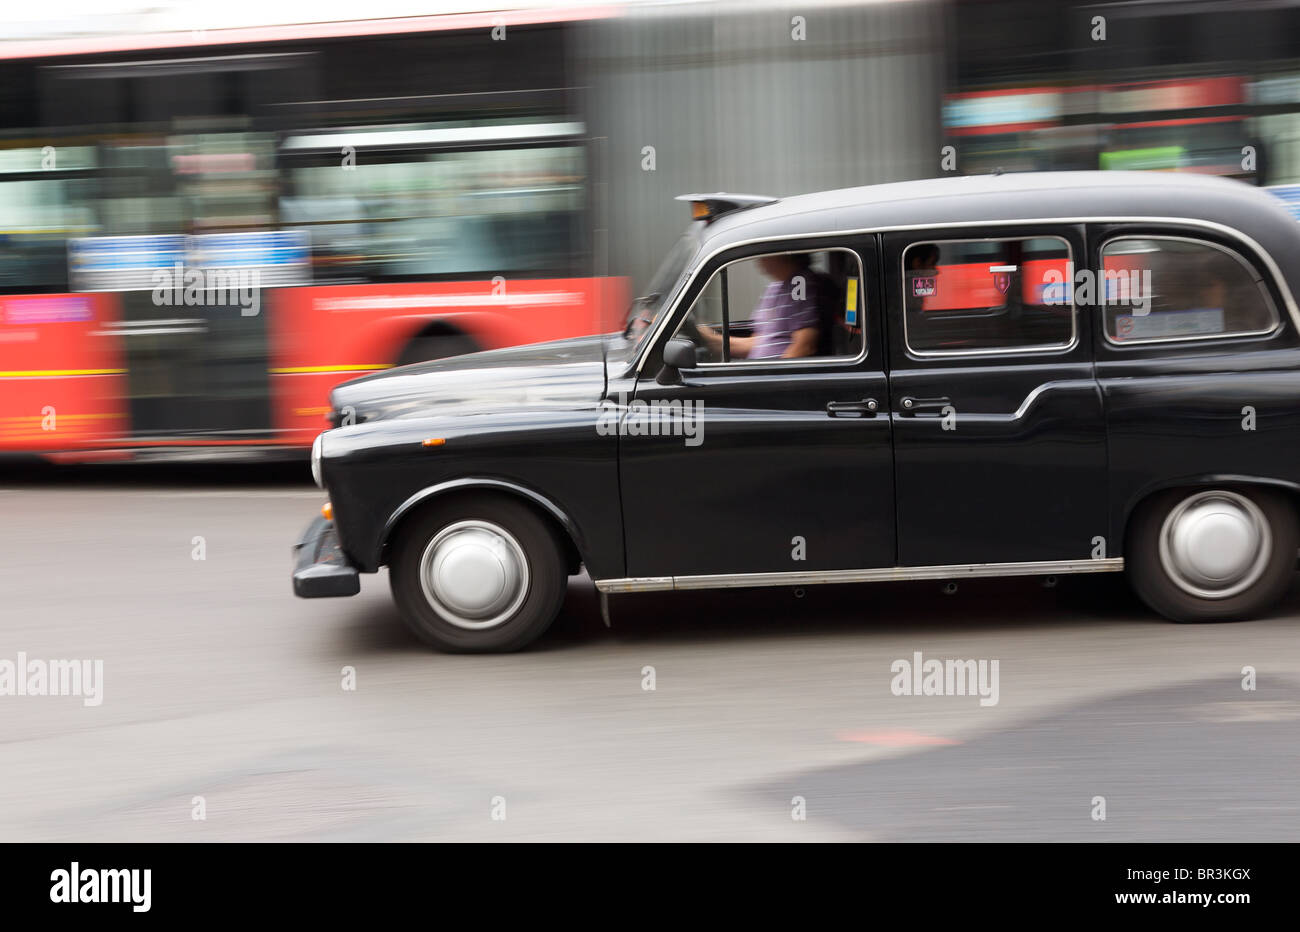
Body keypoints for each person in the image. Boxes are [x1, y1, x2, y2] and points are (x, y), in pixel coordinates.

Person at [694, 253, 822, 359]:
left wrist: (772, 378)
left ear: (780, 253)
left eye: (765, 251)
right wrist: (709, 338)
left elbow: (805, 346)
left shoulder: (800, 284)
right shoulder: (773, 289)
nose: (758, 257)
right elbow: (758, 343)